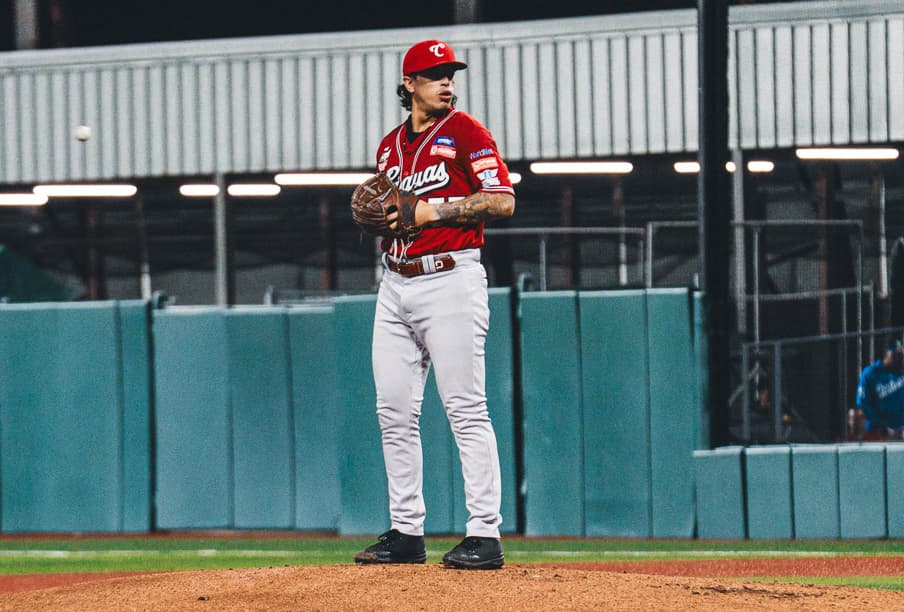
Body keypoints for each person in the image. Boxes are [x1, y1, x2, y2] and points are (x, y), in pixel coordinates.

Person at [353, 39, 515, 570]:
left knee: (466, 408)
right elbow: (391, 209)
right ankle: (406, 532)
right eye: (434, 74)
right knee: (393, 411)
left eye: (450, 73)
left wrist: (431, 211)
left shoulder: (467, 132)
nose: (446, 81)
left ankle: (485, 534)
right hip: (394, 283)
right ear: (409, 85)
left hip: (451, 279)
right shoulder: (387, 148)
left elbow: (503, 199)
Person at [852, 341, 904, 441]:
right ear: (886, 353)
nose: (899, 357)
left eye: (901, 354)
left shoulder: (901, 372)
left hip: (900, 431)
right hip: (877, 432)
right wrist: (881, 424)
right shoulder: (871, 373)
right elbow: (863, 403)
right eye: (895, 353)